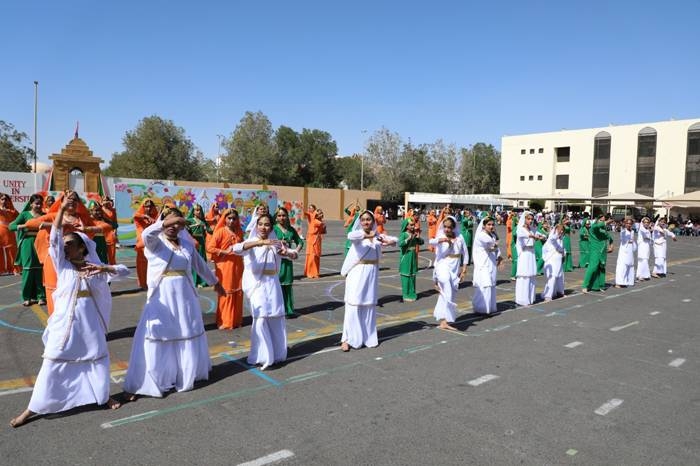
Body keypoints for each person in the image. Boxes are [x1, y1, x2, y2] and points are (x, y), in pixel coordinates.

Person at [10, 193, 129, 428]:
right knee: (53, 360)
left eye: (69, 245)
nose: (64, 247)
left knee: (97, 359)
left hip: (90, 324)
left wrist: (104, 267)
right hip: (65, 323)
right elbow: (53, 239)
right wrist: (62, 210)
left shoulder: (95, 266)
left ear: (82, 248)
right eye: (63, 245)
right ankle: (32, 408)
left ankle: (102, 396)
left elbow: (124, 272)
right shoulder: (62, 265)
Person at [124, 206, 224, 399]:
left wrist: (215, 282)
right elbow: (146, 233)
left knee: (185, 331)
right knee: (162, 334)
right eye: (169, 222)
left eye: (177, 223)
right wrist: (168, 220)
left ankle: (185, 374)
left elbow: (200, 265)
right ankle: (159, 378)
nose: (173, 226)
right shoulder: (155, 243)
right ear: (162, 222)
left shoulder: (186, 245)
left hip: (185, 296)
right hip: (162, 296)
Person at [233, 213, 298, 370]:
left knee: (275, 318)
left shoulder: (275, 242)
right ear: (256, 226)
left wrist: (287, 253)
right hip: (258, 286)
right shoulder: (251, 242)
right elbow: (235, 249)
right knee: (261, 319)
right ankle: (263, 356)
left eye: (267, 224)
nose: (264, 227)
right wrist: (260, 243)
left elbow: (294, 255)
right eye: (261, 224)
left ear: (271, 227)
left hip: (273, 284)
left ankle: (276, 354)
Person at [24, 191, 96, 314]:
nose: (72, 201)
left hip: (76, 260)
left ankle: (74, 326)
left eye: (75, 199)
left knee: (75, 291)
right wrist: (55, 225)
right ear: (61, 202)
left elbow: (100, 226)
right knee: (55, 291)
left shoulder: (83, 218)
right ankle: (55, 326)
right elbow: (30, 223)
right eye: (68, 199)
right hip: (55, 260)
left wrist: (87, 229)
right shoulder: (54, 215)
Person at [340, 210, 396, 351]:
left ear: (373, 221)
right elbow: (350, 235)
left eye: (369, 219)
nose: (366, 222)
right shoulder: (358, 235)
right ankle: (347, 339)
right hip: (357, 273)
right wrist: (367, 235)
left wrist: (388, 241)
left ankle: (367, 337)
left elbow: (396, 240)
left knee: (368, 305)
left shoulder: (377, 236)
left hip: (371, 274)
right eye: (363, 220)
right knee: (353, 305)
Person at [207, 208, 245, 329]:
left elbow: (243, 246)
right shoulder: (220, 232)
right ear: (225, 219)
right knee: (226, 292)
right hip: (224, 267)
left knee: (238, 291)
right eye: (229, 218)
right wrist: (224, 251)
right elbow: (210, 248)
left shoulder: (239, 232)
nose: (232, 221)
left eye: (234, 218)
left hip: (238, 266)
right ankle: (225, 321)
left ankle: (236, 320)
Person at [430, 216, 468, 329]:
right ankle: (444, 320)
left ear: (453, 227)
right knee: (446, 286)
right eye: (445, 227)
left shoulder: (460, 237)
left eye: (449, 227)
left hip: (454, 267)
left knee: (449, 292)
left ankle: (444, 321)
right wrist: (442, 240)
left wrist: (464, 270)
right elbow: (431, 241)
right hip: (443, 265)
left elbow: (465, 253)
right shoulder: (441, 236)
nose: (447, 229)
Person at [9, 194, 46, 306]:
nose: (39, 205)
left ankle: (41, 296)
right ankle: (27, 297)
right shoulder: (25, 215)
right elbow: (11, 226)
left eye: (40, 203)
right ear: (31, 204)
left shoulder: (44, 215)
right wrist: (21, 226)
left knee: (40, 270)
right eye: (36, 203)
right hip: (28, 243)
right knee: (28, 269)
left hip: (41, 243)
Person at [273, 206, 304, 315]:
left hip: (287, 261)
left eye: (284, 215)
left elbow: (300, 242)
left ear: (287, 216)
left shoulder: (291, 230)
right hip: (276, 260)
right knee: (277, 285)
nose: (282, 218)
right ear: (276, 217)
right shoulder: (273, 229)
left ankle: (289, 309)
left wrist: (295, 251)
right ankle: (278, 309)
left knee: (287, 285)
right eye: (279, 215)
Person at [472, 216, 502, 315]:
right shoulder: (481, 235)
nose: (491, 226)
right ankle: (480, 308)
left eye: (493, 224)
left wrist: (499, 257)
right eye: (488, 224)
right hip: (483, 263)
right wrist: (496, 243)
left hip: (491, 263)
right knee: (485, 284)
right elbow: (492, 245)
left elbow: (496, 248)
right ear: (484, 226)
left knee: (491, 284)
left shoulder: (492, 235)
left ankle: (489, 307)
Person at [515, 211, 544, 306]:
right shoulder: (520, 229)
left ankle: (530, 298)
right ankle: (522, 299)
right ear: (524, 219)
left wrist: (542, 236)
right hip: (525, 253)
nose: (530, 221)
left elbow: (541, 234)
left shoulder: (532, 229)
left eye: (532, 219)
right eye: (528, 219)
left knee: (531, 275)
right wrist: (533, 236)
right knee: (524, 275)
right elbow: (524, 235)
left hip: (531, 253)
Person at [582, 215, 615, 293]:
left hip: (603, 251)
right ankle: (585, 285)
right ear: (597, 220)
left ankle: (599, 285)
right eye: (601, 220)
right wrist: (606, 222)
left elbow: (610, 238)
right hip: (595, 250)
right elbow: (597, 226)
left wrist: (611, 246)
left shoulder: (604, 230)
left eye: (604, 220)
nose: (602, 222)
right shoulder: (593, 228)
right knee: (593, 267)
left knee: (601, 268)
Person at [133, 198, 159, 290]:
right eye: (146, 206)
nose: (148, 208)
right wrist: (147, 217)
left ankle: (152, 282)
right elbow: (136, 215)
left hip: (153, 244)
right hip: (142, 244)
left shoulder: (155, 216)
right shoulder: (139, 217)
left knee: (153, 263)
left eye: (150, 206)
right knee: (142, 265)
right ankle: (143, 283)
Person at [186, 203, 213, 287]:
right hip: (193, 242)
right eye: (196, 210)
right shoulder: (190, 221)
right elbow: (186, 231)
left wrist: (206, 227)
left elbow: (210, 231)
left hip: (201, 243)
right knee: (193, 261)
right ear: (193, 212)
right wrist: (191, 228)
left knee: (202, 261)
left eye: (200, 210)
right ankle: (193, 281)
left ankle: (202, 281)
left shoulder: (203, 221)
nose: (198, 212)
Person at [398, 216, 423, 302]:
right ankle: (406, 294)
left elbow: (421, 242)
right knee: (406, 276)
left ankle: (412, 293)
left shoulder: (414, 235)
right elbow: (400, 243)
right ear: (406, 226)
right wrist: (408, 239)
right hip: (406, 257)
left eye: (413, 225)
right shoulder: (403, 234)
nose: (413, 226)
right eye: (411, 225)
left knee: (412, 276)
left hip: (413, 257)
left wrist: (418, 237)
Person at [542, 223, 566, 301]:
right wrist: (557, 232)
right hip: (552, 260)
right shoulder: (552, 237)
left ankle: (560, 292)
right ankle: (548, 295)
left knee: (560, 277)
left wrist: (563, 254)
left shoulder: (561, 239)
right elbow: (552, 239)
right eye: (560, 230)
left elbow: (562, 249)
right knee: (552, 277)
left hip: (559, 260)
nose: (561, 232)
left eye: (562, 230)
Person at [87, 200, 115, 265]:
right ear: (91, 211)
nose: (98, 212)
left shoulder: (103, 220)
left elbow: (114, 225)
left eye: (99, 210)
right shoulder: (88, 220)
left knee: (103, 260)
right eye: (96, 210)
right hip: (92, 241)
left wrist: (105, 218)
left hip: (102, 241)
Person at [303, 205, 326, 279]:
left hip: (317, 240)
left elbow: (323, 231)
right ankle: (311, 273)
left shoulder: (319, 221)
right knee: (312, 256)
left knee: (316, 257)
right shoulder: (314, 219)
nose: (321, 215)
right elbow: (306, 213)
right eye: (320, 213)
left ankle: (315, 273)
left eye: (322, 213)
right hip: (312, 240)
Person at [0, 193, 19, 275]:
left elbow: (20, 218)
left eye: (6, 199)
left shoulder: (12, 211)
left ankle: (14, 269)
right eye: (2, 199)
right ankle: (1, 270)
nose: (4, 201)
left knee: (11, 251)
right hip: (0, 232)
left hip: (9, 233)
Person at [614, 217, 637, 288]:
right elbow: (622, 235)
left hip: (630, 250)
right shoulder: (623, 231)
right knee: (622, 266)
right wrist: (622, 225)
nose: (629, 225)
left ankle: (628, 281)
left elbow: (632, 240)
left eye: (630, 223)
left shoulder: (632, 232)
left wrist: (634, 246)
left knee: (630, 265)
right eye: (627, 223)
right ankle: (619, 282)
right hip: (624, 251)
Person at [636, 217, 653, 281]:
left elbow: (649, 238)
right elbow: (646, 236)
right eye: (645, 222)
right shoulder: (642, 229)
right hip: (642, 246)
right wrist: (650, 231)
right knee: (643, 260)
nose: (646, 224)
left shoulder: (647, 230)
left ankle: (641, 275)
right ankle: (641, 275)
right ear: (642, 223)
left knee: (645, 260)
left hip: (647, 247)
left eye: (647, 222)